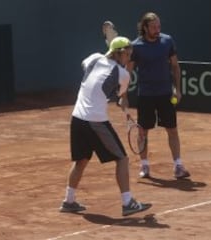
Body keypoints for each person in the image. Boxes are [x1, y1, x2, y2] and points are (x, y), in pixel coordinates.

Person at [60, 36, 152, 216]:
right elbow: (121, 96)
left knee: (81, 160)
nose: (129, 57)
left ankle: (68, 201)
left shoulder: (94, 58)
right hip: (95, 121)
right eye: (127, 54)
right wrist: (121, 97)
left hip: (77, 118)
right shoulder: (123, 74)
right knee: (122, 159)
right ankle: (127, 203)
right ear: (120, 53)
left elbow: (83, 65)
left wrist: (105, 61)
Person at [127, 12, 191, 179]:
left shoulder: (167, 41)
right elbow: (128, 71)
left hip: (165, 94)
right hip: (146, 95)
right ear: (145, 27)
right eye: (154, 27)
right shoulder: (136, 46)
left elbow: (175, 67)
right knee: (143, 132)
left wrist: (177, 89)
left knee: (172, 130)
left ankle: (178, 165)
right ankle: (145, 165)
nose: (157, 29)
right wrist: (123, 94)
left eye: (159, 26)